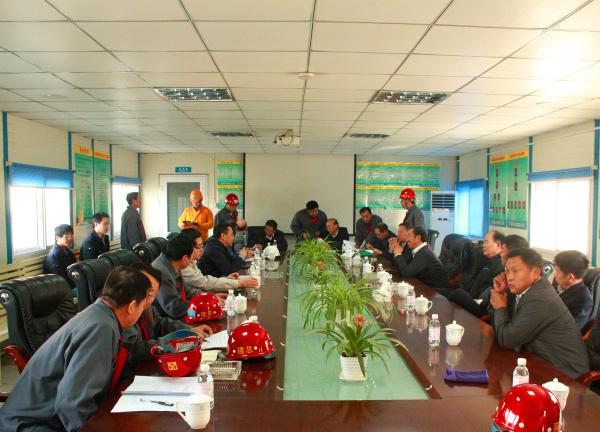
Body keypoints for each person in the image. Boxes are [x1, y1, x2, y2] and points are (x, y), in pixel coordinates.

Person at [0, 266, 150, 431]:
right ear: (131, 306)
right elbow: (73, 404)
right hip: (32, 425)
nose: (142, 311)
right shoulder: (101, 328)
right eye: (143, 305)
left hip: (47, 419)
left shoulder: (99, 315)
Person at [490, 248, 589, 379]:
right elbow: (504, 330)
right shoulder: (528, 289)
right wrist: (502, 294)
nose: (509, 277)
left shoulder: (540, 299)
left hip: (565, 374)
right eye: (507, 270)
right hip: (541, 361)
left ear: (536, 272)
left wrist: (500, 307)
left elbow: (506, 340)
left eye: (515, 271)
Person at [123, 263, 213, 365]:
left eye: (150, 294)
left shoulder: (146, 306)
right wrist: (172, 342)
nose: (145, 297)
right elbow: (134, 350)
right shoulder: (125, 310)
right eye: (145, 292)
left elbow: (160, 324)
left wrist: (188, 331)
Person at [448, 234, 527, 319]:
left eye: (503, 251)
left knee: (457, 294)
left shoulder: (510, 276)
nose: (500, 254)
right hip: (485, 305)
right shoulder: (501, 271)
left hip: (488, 314)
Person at [179, 228, 258, 292]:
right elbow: (205, 283)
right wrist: (239, 283)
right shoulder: (213, 248)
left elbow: (205, 280)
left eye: (202, 246)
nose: (202, 250)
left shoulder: (193, 261)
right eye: (199, 247)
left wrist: (225, 279)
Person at [152, 234, 198, 320]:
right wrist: (200, 304)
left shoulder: (173, 264)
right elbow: (173, 308)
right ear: (185, 258)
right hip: (164, 321)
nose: (193, 259)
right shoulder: (161, 272)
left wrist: (208, 297)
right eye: (192, 255)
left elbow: (188, 292)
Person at [390, 226, 449, 293]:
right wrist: (395, 252)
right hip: (424, 286)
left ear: (418, 238)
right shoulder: (419, 250)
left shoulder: (424, 253)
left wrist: (398, 254)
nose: (406, 239)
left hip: (436, 291)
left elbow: (406, 273)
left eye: (409, 236)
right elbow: (404, 267)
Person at [554, 250, 593, 330]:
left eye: (557, 271)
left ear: (570, 277)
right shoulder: (559, 286)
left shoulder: (583, 300)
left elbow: (569, 331)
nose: (555, 275)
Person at [464, 230, 506, 298]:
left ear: (498, 244)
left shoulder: (500, 265)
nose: (483, 245)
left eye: (486, 242)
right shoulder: (485, 260)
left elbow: (489, 292)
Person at [44, 224, 76, 289]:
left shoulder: (67, 250)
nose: (70, 238)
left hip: (71, 283)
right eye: (67, 236)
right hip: (62, 288)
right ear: (57, 238)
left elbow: (75, 267)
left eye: (71, 235)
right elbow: (60, 278)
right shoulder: (55, 255)